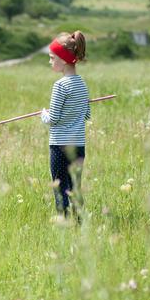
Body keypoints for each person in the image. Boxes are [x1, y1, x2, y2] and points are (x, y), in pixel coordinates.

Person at [41, 31, 90, 221]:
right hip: (78, 146)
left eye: (52, 58)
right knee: (75, 187)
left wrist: (42, 114)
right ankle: (79, 222)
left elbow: (52, 118)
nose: (50, 62)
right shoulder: (81, 83)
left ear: (63, 59)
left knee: (60, 186)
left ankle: (64, 223)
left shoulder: (60, 86)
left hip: (60, 146)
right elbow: (86, 114)